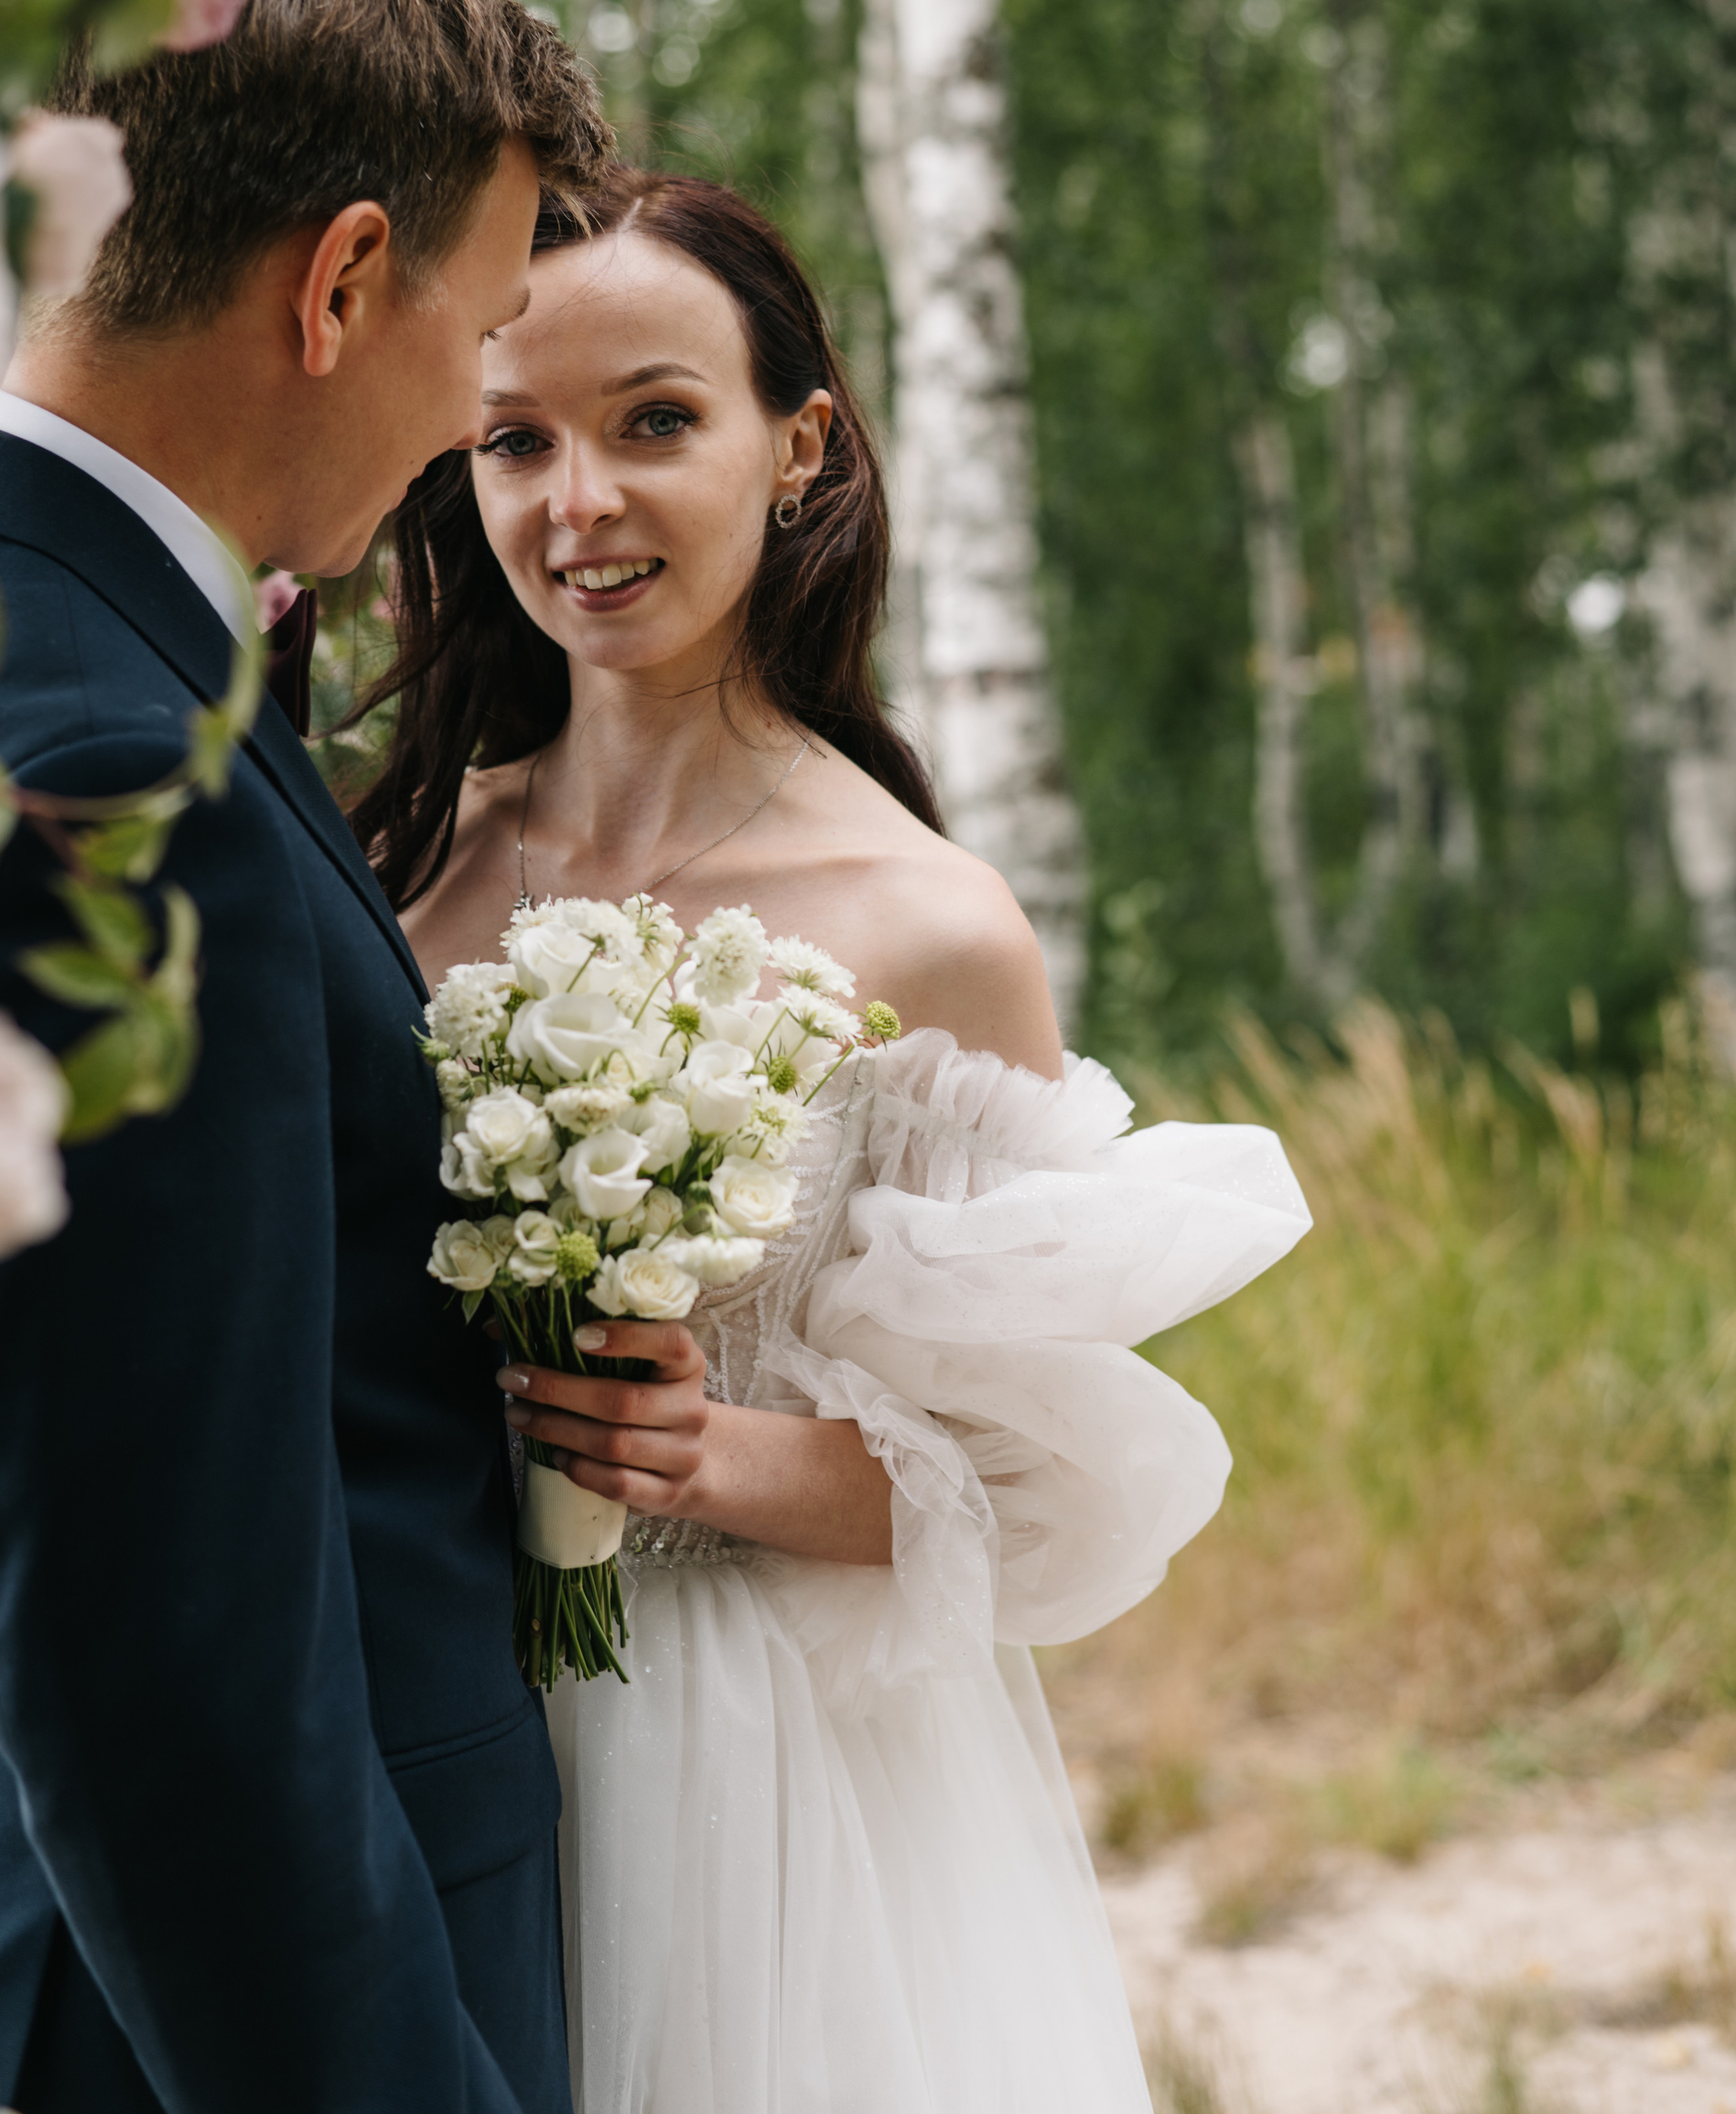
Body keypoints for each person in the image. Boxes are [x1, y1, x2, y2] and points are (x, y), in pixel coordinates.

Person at [360, 168, 1313, 2114]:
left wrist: (714, 1454)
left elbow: (1053, 1484)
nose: (579, 505)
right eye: (514, 440)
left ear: (795, 445)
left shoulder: (928, 927)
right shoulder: (405, 875)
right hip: (421, 1705)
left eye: (654, 421)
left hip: (759, 1779)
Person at [0, 0, 715, 2114]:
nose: (467, 433)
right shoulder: (104, 763)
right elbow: (169, 1662)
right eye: (478, 338)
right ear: (346, 280)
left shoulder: (61, 640)